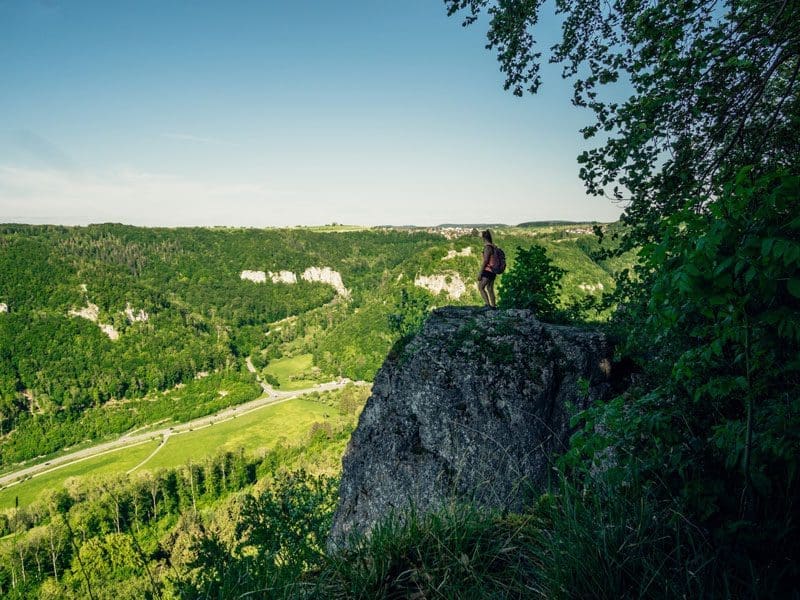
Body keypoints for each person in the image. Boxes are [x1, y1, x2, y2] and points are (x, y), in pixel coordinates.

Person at [477, 229, 497, 309]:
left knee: (481, 287)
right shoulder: (493, 246)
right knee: (490, 288)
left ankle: (488, 305)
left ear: (484, 238)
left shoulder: (487, 247)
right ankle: (493, 306)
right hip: (493, 270)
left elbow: (485, 261)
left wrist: (480, 273)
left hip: (488, 270)